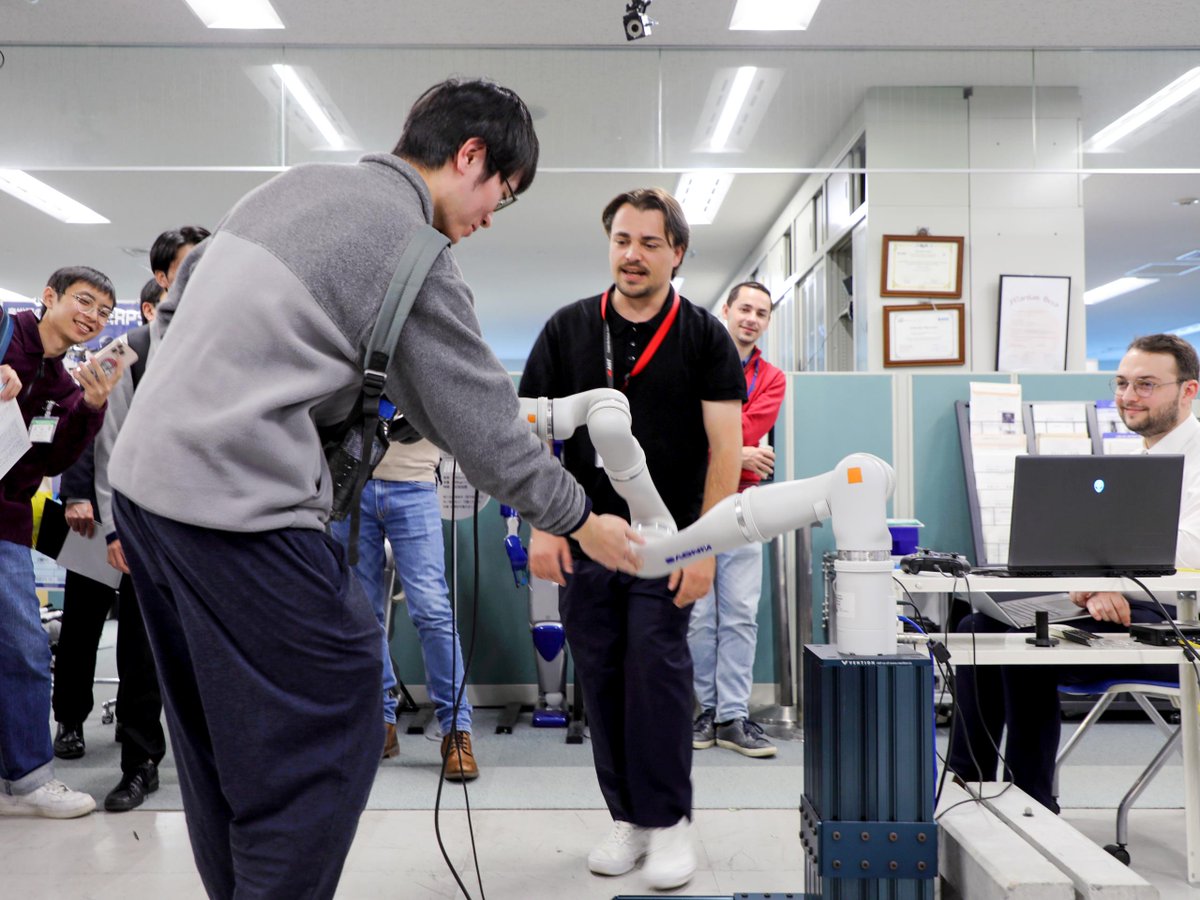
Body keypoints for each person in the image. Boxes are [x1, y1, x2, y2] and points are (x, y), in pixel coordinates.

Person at [106, 78, 637, 899]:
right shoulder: (415, 252)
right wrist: (581, 519)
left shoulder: (291, 187)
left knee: (216, 727)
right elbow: (486, 431)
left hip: (145, 492)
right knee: (339, 699)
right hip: (235, 504)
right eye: (501, 192)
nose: (491, 217)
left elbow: (172, 311)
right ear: (469, 157)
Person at [521, 187, 745, 891]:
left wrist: (706, 546)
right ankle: (628, 818)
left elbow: (726, 450)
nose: (633, 255)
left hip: (670, 542)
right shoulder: (566, 330)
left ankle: (669, 820)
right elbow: (535, 440)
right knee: (603, 675)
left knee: (657, 670)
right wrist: (543, 525)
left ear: (677, 252)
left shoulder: (704, 336)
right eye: (622, 240)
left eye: (650, 243)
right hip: (587, 535)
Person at [947, 333, 1200, 812]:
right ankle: (969, 784)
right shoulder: (1137, 461)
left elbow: (1186, 547)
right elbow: (1095, 544)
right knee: (976, 628)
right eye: (1122, 383)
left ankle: (1031, 801)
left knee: (1025, 645)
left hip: (1179, 626)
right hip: (1125, 612)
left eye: (1146, 384)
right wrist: (1094, 583)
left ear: (1188, 390)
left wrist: (1109, 578)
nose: (1128, 396)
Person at [90, 227, 209, 813]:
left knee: (218, 649)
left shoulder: (232, 340)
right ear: (162, 278)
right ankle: (139, 764)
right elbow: (109, 448)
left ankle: (218, 765)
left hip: (219, 526)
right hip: (150, 526)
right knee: (142, 651)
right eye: (189, 265)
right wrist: (115, 528)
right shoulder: (129, 351)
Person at [0, 266, 122, 819]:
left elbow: (52, 459)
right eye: (84, 301)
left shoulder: (64, 384)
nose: (93, 317)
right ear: (49, 296)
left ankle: (28, 777)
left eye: (103, 311)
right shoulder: (5, 335)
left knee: (25, 646)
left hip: (5, 522)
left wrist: (90, 408)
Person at [331, 438, 479, 780]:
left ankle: (456, 730)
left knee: (432, 610)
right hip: (350, 482)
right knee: (362, 615)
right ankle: (379, 723)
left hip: (414, 482)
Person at [688, 281, 786, 759]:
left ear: (767, 321)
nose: (751, 318)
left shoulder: (772, 378)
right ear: (726, 310)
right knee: (699, 614)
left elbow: (744, 428)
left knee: (741, 615)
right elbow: (687, 433)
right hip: (695, 505)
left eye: (761, 313)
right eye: (744, 308)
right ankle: (706, 711)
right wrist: (739, 452)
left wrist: (725, 444)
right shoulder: (693, 363)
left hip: (745, 507)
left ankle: (732, 715)